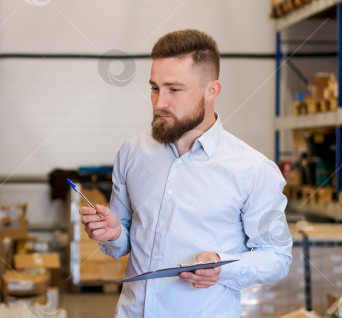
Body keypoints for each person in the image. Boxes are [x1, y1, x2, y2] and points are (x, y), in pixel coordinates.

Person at [80, 29, 292, 317]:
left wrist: (222, 266)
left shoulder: (253, 170)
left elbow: (277, 257)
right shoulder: (133, 152)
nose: (159, 103)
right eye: (155, 88)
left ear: (211, 91)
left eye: (174, 89)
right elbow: (122, 242)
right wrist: (114, 233)